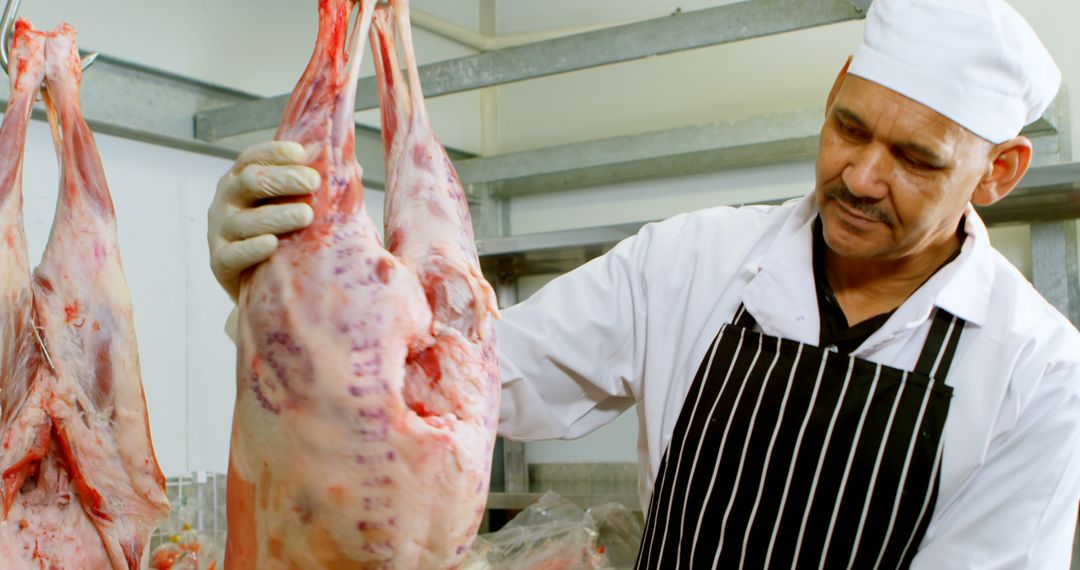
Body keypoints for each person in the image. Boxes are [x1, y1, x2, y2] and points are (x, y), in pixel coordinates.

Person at [207, 0, 1080, 566]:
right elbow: (462, 387)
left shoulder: (1041, 370)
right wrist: (278, 289)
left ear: (998, 171)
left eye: (915, 160)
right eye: (848, 128)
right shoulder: (690, 260)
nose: (859, 176)